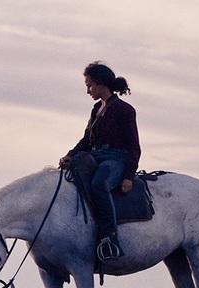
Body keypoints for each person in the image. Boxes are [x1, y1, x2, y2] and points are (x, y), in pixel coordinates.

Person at [59, 62, 140, 261]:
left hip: (117, 158)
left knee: (98, 184)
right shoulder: (97, 108)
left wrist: (129, 175)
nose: (87, 90)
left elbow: (134, 147)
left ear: (101, 83)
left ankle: (110, 238)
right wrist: (70, 154)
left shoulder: (124, 110)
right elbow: (86, 140)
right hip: (96, 156)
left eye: (90, 85)